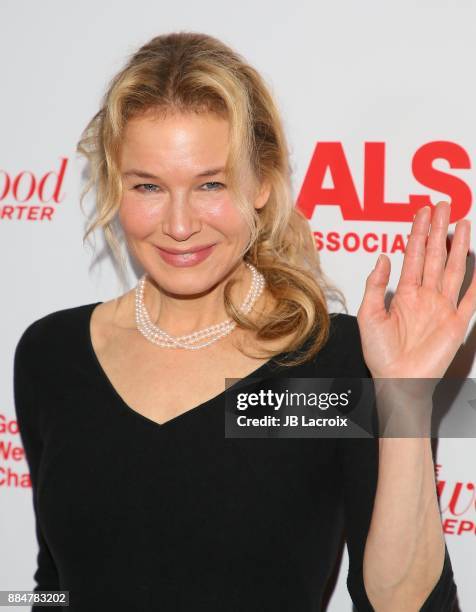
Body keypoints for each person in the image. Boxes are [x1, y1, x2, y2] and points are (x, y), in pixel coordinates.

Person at [13, 31, 473, 611]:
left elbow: (402, 606)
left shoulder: (328, 366)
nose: (179, 225)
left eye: (211, 184)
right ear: (114, 186)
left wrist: (404, 399)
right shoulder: (51, 354)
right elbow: (52, 585)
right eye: (148, 186)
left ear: (262, 182)